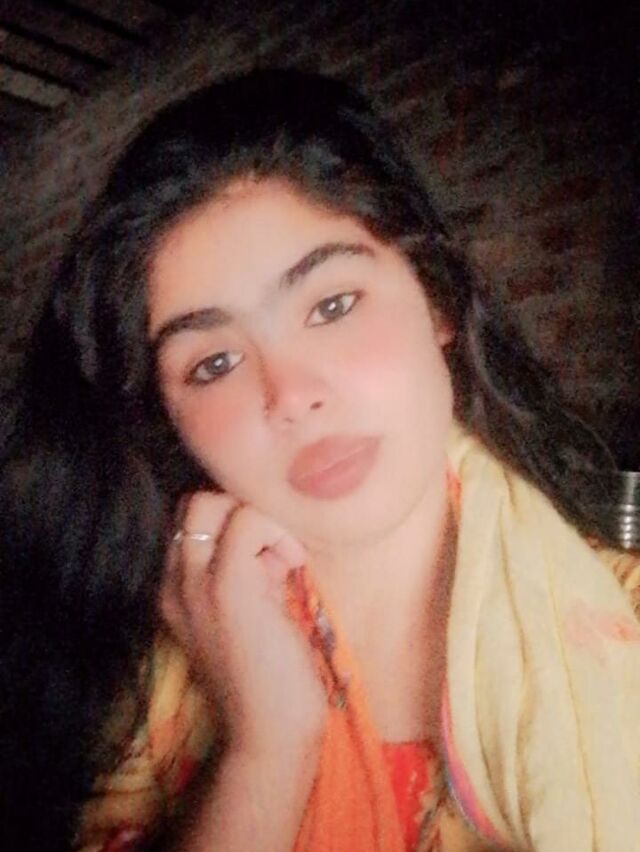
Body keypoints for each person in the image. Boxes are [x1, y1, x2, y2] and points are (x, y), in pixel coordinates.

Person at [1, 69, 639, 852]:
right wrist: (265, 750)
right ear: (171, 419)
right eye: (214, 363)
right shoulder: (128, 681)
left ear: (436, 299)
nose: (291, 395)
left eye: (332, 306)